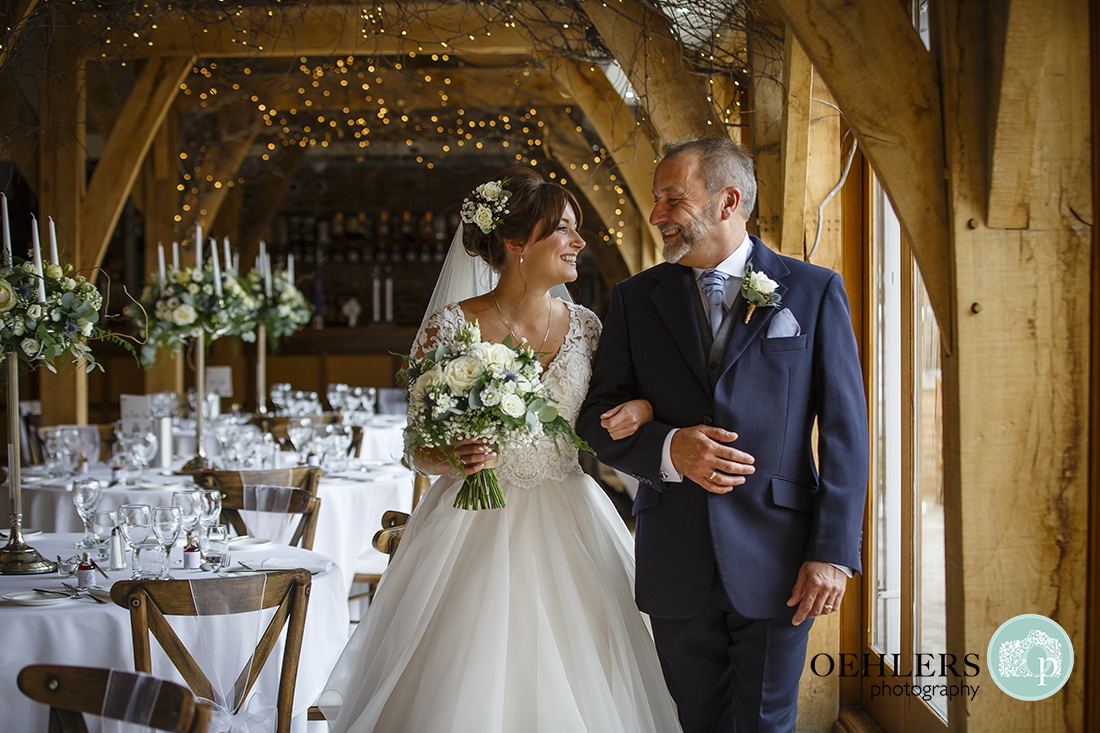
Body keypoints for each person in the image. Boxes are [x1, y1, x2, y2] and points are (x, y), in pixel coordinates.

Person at [320, 167, 682, 733]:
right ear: (516, 244)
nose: (579, 242)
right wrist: (453, 454)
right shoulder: (452, 326)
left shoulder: (586, 327)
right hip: (471, 522)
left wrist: (642, 410)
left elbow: (613, 406)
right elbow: (418, 445)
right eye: (563, 229)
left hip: (570, 515)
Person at [576, 137, 870, 733]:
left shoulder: (813, 293)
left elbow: (846, 434)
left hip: (781, 558)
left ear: (728, 201)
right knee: (696, 722)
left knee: (766, 722)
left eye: (671, 198)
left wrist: (832, 554)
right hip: (675, 554)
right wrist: (666, 447)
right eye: (657, 199)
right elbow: (593, 422)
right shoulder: (635, 300)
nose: (656, 214)